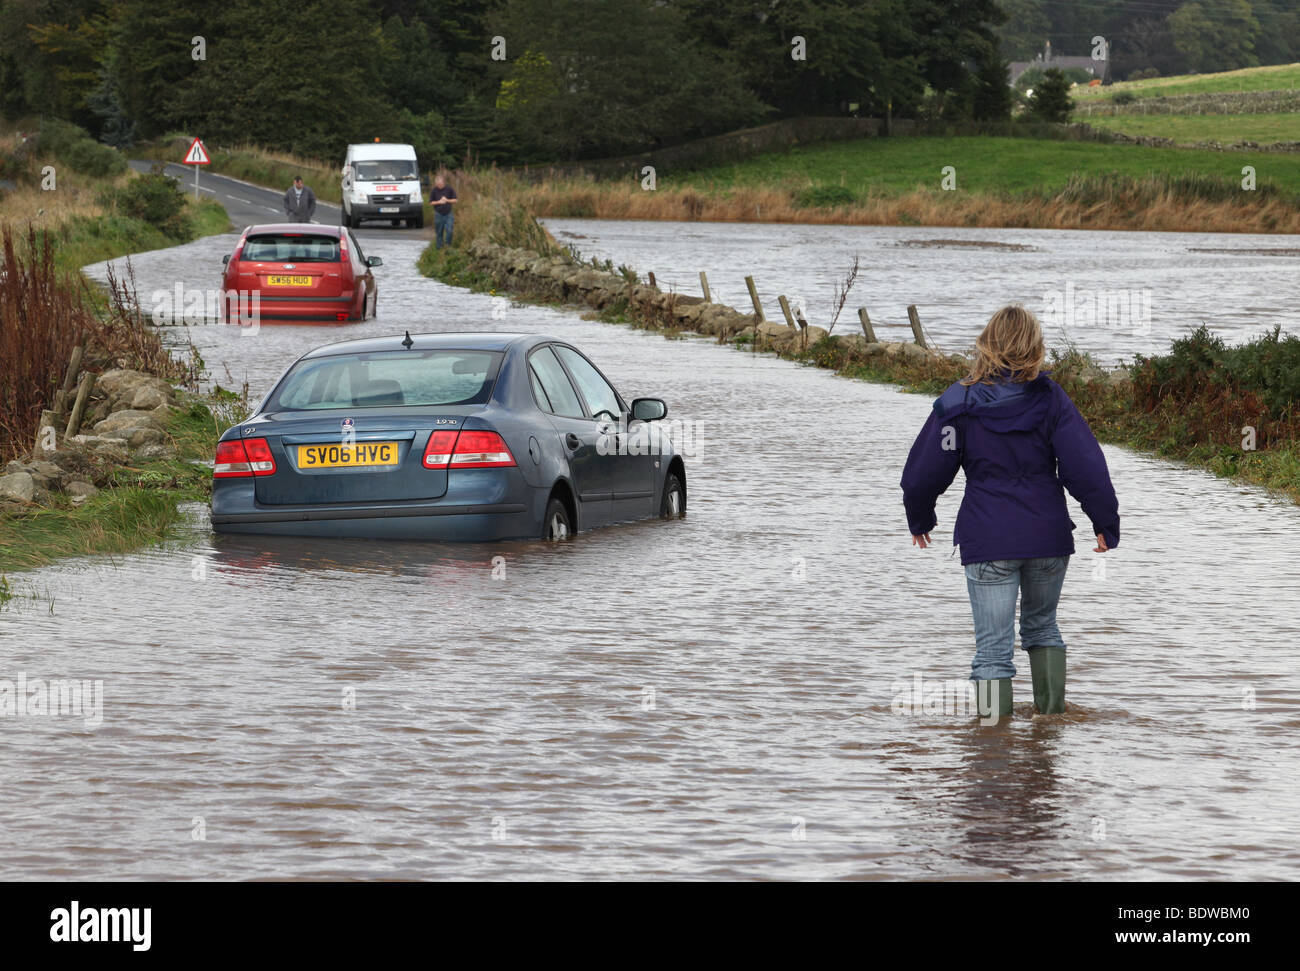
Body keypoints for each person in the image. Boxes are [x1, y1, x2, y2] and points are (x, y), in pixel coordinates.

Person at [900, 305, 1120, 719]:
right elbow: (1085, 465)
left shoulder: (959, 402)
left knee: (992, 653)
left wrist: (920, 516)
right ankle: (1051, 728)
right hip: (1048, 539)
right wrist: (1104, 522)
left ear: (987, 342)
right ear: (1035, 346)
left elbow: (925, 472)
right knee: (1043, 629)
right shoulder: (1052, 399)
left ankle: (991, 740)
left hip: (988, 540)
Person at [430, 173, 457, 248]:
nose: (439, 186)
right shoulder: (434, 190)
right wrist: (439, 202)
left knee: (450, 231)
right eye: (437, 184)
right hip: (438, 214)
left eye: (440, 184)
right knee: (439, 233)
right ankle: (439, 249)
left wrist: (447, 200)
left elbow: (455, 200)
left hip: (448, 214)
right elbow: (431, 202)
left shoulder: (449, 189)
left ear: (443, 182)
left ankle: (447, 246)